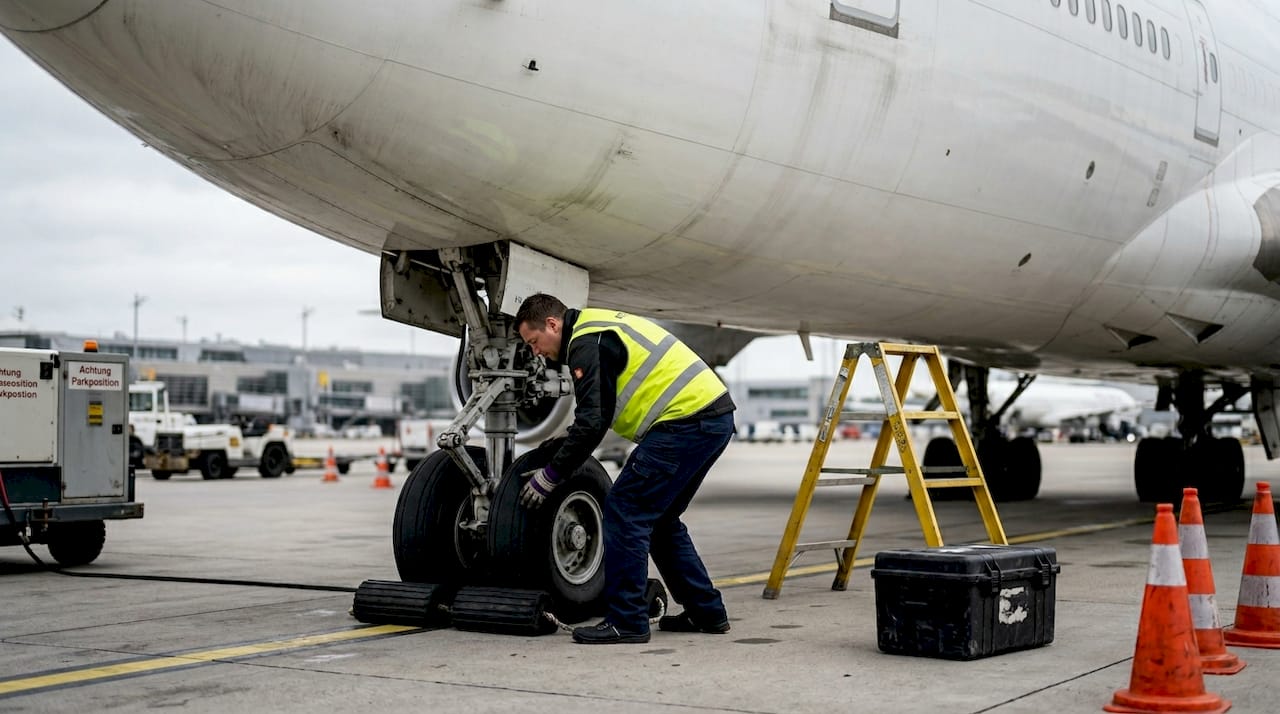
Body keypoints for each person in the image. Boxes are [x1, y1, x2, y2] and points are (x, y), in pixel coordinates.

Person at [514, 293, 736, 644]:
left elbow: (591, 423)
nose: (535, 352)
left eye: (534, 341)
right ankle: (707, 613)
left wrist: (549, 476)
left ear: (553, 324)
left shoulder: (586, 341)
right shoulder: (596, 326)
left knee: (624, 511)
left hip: (685, 422)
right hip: (711, 418)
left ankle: (628, 621)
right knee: (660, 520)